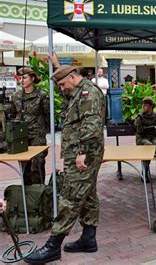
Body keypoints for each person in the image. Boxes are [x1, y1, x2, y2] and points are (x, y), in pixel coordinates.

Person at [25, 65, 106, 264]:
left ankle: (53, 246)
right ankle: (88, 239)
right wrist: (56, 64)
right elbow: (65, 87)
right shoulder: (77, 91)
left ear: (72, 77)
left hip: (84, 155)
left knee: (70, 198)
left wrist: (82, 153)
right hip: (79, 154)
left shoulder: (88, 93)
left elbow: (92, 126)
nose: (61, 88)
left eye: (62, 84)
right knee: (88, 196)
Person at [11, 67, 49, 185]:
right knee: (24, 166)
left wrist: (42, 129)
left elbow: (47, 114)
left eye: (25, 78)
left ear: (32, 78)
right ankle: (27, 194)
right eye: (20, 78)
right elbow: (13, 113)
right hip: (21, 135)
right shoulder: (16, 96)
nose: (22, 81)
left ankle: (39, 192)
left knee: (37, 164)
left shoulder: (41, 95)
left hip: (37, 134)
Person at [135, 97, 156, 183]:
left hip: (154, 137)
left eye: (145, 105)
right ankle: (144, 172)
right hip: (142, 138)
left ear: (151, 106)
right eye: (143, 105)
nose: (143, 107)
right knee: (148, 146)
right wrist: (150, 128)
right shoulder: (140, 117)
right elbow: (139, 130)